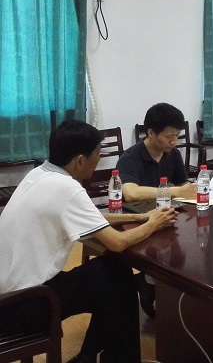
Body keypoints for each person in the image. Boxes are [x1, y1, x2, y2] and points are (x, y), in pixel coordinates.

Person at [0, 120, 177, 363]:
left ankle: (88, 356)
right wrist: (153, 224)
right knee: (117, 280)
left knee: (113, 273)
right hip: (21, 305)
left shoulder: (39, 174)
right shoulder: (67, 188)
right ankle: (106, 357)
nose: (99, 160)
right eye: (98, 155)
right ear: (80, 160)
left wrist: (140, 216)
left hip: (9, 292)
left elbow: (88, 216)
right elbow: (117, 243)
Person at [116, 102, 196, 202]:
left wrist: (191, 189)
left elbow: (182, 184)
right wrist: (174, 191)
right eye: (169, 136)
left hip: (163, 208)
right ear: (151, 133)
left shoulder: (173, 153)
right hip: (136, 211)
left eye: (177, 135)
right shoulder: (129, 158)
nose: (174, 141)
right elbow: (131, 193)